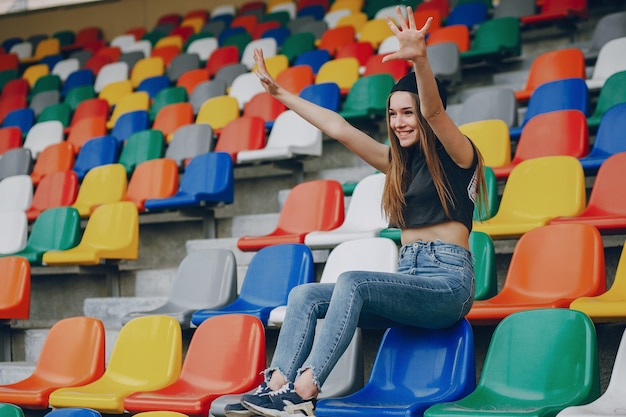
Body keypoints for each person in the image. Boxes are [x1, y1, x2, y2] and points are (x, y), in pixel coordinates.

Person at [225, 5, 487, 417]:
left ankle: (306, 391)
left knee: (353, 280)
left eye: (408, 112)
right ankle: (276, 385)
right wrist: (280, 95)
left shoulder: (460, 156)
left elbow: (435, 111)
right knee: (304, 294)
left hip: (448, 284)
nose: (400, 122)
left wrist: (419, 57)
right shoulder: (397, 164)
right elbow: (339, 128)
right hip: (409, 278)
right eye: (393, 114)